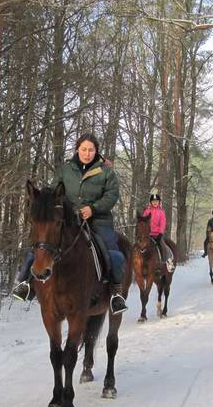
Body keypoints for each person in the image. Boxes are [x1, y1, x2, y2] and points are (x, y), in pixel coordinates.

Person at [12, 133, 129, 315]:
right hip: (69, 218)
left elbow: (112, 196)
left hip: (99, 220)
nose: (87, 153)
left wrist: (93, 208)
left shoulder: (106, 172)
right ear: (77, 149)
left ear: (96, 151)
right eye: (84, 149)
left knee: (113, 253)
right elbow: (53, 191)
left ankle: (115, 294)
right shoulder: (66, 169)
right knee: (42, 244)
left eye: (91, 150)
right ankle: (25, 283)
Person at [142, 193, 175, 273]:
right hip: (147, 235)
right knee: (140, 246)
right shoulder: (147, 211)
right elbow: (143, 222)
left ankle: (168, 262)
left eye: (156, 201)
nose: (155, 203)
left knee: (163, 246)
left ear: (159, 202)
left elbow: (162, 223)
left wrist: (160, 233)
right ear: (151, 202)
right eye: (153, 201)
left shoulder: (161, 212)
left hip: (157, 234)